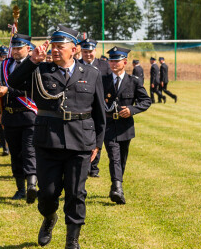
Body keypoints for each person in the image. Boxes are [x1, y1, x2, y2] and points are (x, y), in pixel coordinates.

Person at [8, 25, 105, 249]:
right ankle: (49, 217)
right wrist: (32, 60)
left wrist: (97, 144)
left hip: (80, 141)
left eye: (60, 47)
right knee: (48, 194)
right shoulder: (40, 71)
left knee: (76, 193)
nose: (55, 50)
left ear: (74, 49)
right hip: (48, 140)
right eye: (53, 46)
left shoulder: (91, 74)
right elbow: (13, 83)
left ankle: (72, 239)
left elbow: (100, 113)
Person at [103, 47, 151, 204]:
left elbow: (146, 101)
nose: (113, 63)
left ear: (125, 62)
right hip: (108, 125)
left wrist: (132, 109)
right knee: (114, 157)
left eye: (117, 60)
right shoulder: (102, 80)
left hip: (125, 126)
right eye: (111, 60)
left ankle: (116, 185)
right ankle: (117, 188)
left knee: (122, 159)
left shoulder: (134, 82)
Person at [0, 33, 38, 203]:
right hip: (11, 115)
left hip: (28, 114)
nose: (15, 51)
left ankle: (31, 186)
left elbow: (34, 90)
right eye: (13, 47)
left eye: (19, 47)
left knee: (29, 151)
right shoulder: (5, 65)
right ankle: (20, 188)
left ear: (28, 48)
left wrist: (10, 91)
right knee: (15, 154)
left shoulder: (35, 65)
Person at [78, 38, 111, 179]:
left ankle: (94, 167)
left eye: (90, 51)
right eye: (85, 52)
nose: (88, 54)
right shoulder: (76, 65)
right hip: (82, 106)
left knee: (98, 134)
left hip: (100, 105)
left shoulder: (104, 66)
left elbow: (110, 83)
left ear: (95, 51)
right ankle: (84, 165)